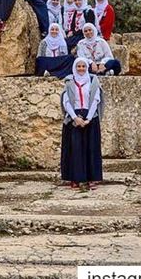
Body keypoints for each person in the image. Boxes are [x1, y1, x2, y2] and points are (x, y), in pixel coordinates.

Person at [60, 57, 103, 191]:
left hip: (90, 116)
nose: (81, 69)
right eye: (78, 66)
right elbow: (66, 101)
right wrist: (75, 118)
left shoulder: (93, 81)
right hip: (74, 117)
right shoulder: (69, 82)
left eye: (83, 66)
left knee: (91, 148)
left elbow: (96, 99)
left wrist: (88, 118)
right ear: (74, 67)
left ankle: (91, 178)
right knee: (75, 149)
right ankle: (75, 178)